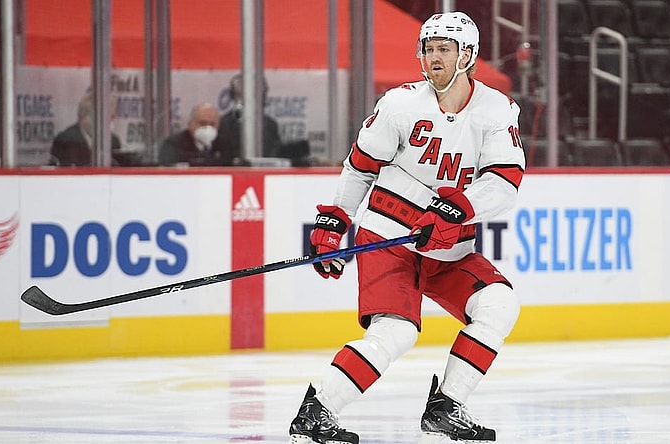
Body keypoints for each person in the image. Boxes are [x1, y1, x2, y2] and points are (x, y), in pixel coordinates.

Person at [288, 11, 525, 444]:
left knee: (499, 305)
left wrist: (458, 210)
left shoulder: (497, 109)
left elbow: (504, 181)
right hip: (388, 236)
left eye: (444, 49)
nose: (433, 57)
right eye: (428, 49)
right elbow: (360, 167)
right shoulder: (399, 104)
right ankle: (317, 410)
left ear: (467, 55)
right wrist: (335, 220)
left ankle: (446, 405)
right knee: (395, 331)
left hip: (447, 246)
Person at [215, 73, 284, 162]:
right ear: (233, 97)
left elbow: (275, 155)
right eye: (240, 96)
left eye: (255, 95)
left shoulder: (270, 124)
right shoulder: (223, 124)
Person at [50, 93, 122, 166]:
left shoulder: (113, 141)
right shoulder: (65, 141)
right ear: (86, 117)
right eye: (108, 117)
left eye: (113, 116)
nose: (112, 120)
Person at [158, 102, 232, 166]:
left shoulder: (225, 145)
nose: (208, 128)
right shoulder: (173, 144)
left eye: (212, 124)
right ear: (190, 124)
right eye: (203, 123)